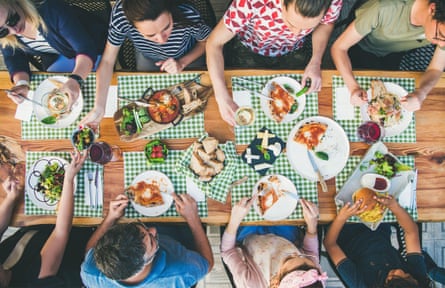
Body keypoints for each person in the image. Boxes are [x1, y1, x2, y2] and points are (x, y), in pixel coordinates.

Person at [79, 0, 211, 132]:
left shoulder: (187, 13)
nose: (161, 40)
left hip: (188, 56)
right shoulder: (121, 16)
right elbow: (107, 61)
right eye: (151, 35)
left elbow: (207, 41)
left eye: (167, 27)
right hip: (148, 58)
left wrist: (182, 62)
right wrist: (99, 107)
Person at [206, 0, 343, 126]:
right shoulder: (252, 2)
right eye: (292, 24)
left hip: (295, 49)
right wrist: (220, 95)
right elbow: (214, 43)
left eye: (306, 27)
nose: (296, 34)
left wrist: (316, 60)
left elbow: (327, 23)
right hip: (249, 48)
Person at [0, 150, 93, 288]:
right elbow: (61, 231)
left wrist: (11, 197)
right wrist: (68, 179)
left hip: (40, 228)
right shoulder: (33, 280)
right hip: (78, 237)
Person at [331, 0, 445, 111]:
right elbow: (339, 48)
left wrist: (422, 93)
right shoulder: (383, 9)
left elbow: (436, 68)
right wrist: (353, 87)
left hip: (395, 53)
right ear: (432, 9)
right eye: (439, 35)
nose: (441, 45)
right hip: (362, 47)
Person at [80, 193, 214, 287]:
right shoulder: (180, 274)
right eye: (151, 241)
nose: (154, 229)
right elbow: (208, 264)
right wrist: (192, 218)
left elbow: (90, 251)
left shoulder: (90, 273)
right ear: (142, 266)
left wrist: (111, 217)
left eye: (140, 227)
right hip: (178, 235)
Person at [0, 0, 108, 109]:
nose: (14, 30)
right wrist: (22, 84)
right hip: (60, 56)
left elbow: (85, 48)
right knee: (51, 95)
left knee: (98, 91)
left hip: (93, 47)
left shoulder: (52, 10)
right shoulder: (8, 37)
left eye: (12, 20)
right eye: (2, 31)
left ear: (16, 2)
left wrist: (76, 80)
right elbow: (14, 57)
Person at [323, 195, 433, 287]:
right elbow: (412, 232)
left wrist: (342, 217)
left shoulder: (361, 284)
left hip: (343, 226)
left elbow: (330, 244)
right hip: (378, 224)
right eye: (408, 275)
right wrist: (394, 207)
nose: (400, 271)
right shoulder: (419, 280)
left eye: (393, 276)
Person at [221, 197, 326, 287]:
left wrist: (235, 220)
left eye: (289, 258)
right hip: (285, 238)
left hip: (248, 238)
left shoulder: (250, 283)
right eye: (302, 256)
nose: (296, 254)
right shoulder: (314, 280)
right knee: (284, 202)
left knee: (241, 202)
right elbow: (310, 252)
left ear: (275, 282)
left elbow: (227, 251)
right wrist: (312, 225)